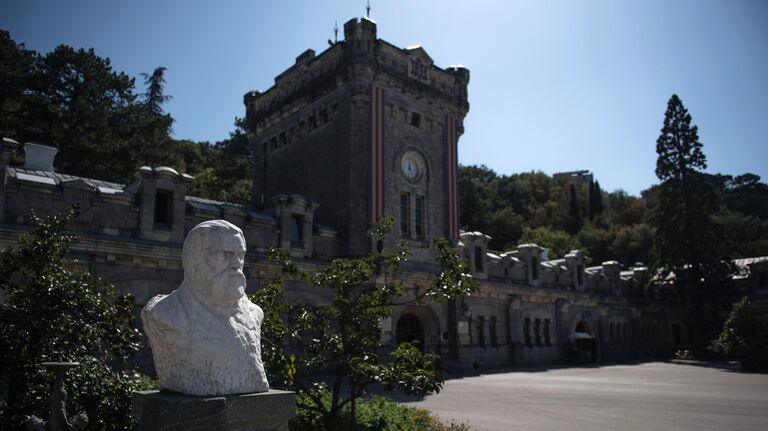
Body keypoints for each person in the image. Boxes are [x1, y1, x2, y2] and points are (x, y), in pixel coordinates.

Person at [142, 220, 269, 396]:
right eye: (223, 255)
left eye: (240, 255)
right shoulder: (164, 313)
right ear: (194, 260)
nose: (236, 264)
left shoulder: (255, 313)